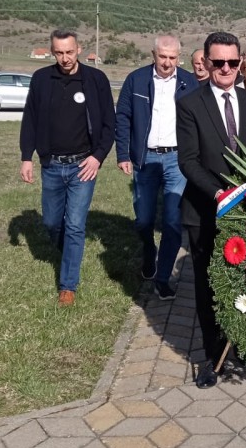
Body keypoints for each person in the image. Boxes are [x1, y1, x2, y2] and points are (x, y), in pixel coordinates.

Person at [177, 31, 246, 388]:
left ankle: (241, 347)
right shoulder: (190, 104)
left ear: (240, 62)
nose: (226, 68)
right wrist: (220, 193)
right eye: (219, 62)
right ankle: (212, 357)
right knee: (209, 287)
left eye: (232, 62)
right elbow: (188, 161)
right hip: (205, 210)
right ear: (206, 62)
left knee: (245, 281)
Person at [20, 29, 115, 307]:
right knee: (51, 223)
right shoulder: (41, 79)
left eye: (69, 52)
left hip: (83, 165)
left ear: (79, 49)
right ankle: (69, 254)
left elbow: (109, 124)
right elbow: (30, 119)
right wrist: (26, 157)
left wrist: (97, 157)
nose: (65, 58)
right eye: (59, 53)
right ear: (53, 52)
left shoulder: (95, 80)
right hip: (51, 165)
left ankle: (68, 285)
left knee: (74, 225)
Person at [115, 35, 198, 299]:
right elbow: (123, 117)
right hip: (146, 158)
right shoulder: (136, 79)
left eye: (172, 57)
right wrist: (123, 154)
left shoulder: (189, 82)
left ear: (178, 58)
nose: (167, 62)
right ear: (153, 54)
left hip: (176, 159)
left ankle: (162, 278)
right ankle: (149, 250)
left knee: (172, 221)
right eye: (162, 56)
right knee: (143, 220)